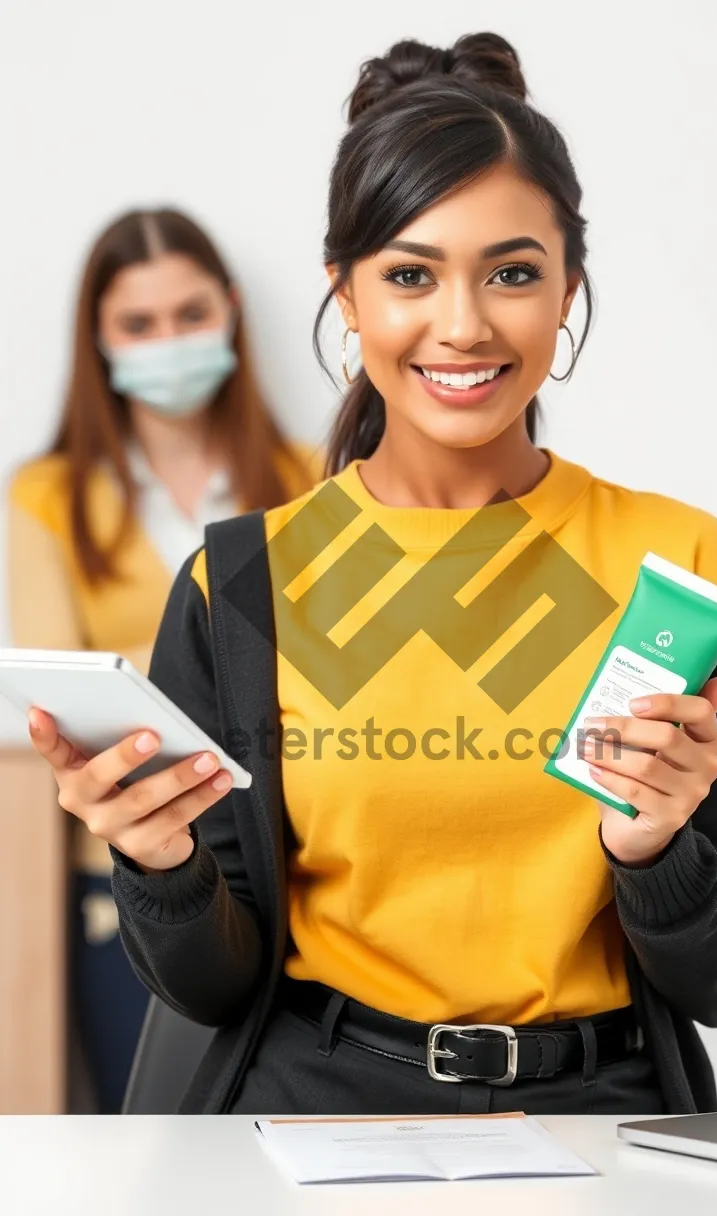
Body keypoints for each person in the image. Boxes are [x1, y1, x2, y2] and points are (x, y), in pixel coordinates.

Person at [27, 34, 717, 1117]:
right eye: (410, 274)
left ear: (568, 288)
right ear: (348, 294)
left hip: (602, 1128)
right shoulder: (244, 581)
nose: (461, 325)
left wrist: (650, 846)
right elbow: (213, 986)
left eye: (512, 272)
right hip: (309, 1118)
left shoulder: (682, 566)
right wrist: (161, 862)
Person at [7, 206, 321, 1112]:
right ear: (98, 340)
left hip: (290, 860)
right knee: (137, 1137)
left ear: (228, 311)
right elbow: (56, 686)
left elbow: (339, 671)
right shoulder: (48, 496)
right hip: (123, 865)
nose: (168, 343)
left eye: (189, 315)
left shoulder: (311, 478)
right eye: (138, 325)